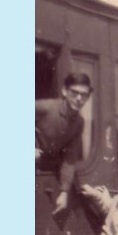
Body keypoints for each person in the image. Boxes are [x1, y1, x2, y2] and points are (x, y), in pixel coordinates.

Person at [35, 72, 93, 214]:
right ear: (64, 91)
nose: (79, 98)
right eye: (74, 93)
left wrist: (64, 192)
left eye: (84, 95)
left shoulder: (79, 122)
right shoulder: (46, 107)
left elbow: (70, 159)